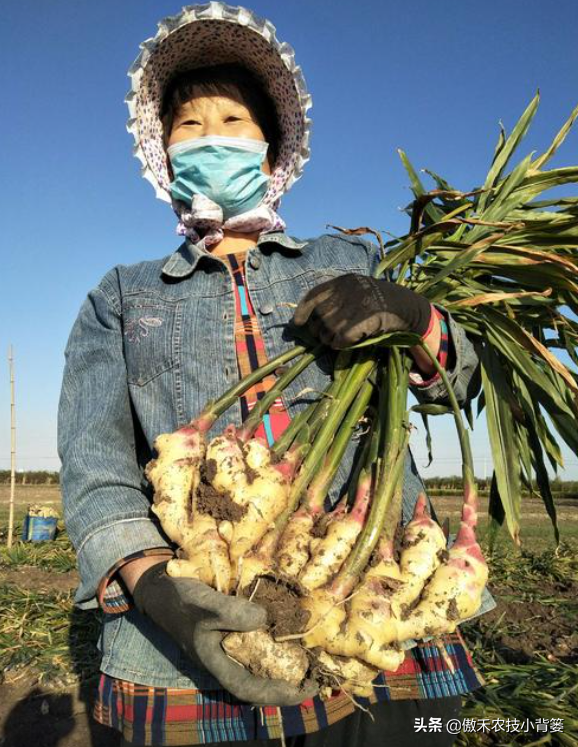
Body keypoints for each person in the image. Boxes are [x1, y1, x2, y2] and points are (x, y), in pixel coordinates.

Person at [58, 4, 494, 746]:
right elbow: (95, 463)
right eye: (189, 127)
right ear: (163, 153)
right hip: (196, 627)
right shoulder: (122, 295)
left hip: (370, 599)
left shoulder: (349, 264)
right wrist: (158, 587)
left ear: (269, 153)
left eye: (232, 121)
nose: (210, 138)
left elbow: (460, 382)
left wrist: (414, 315)